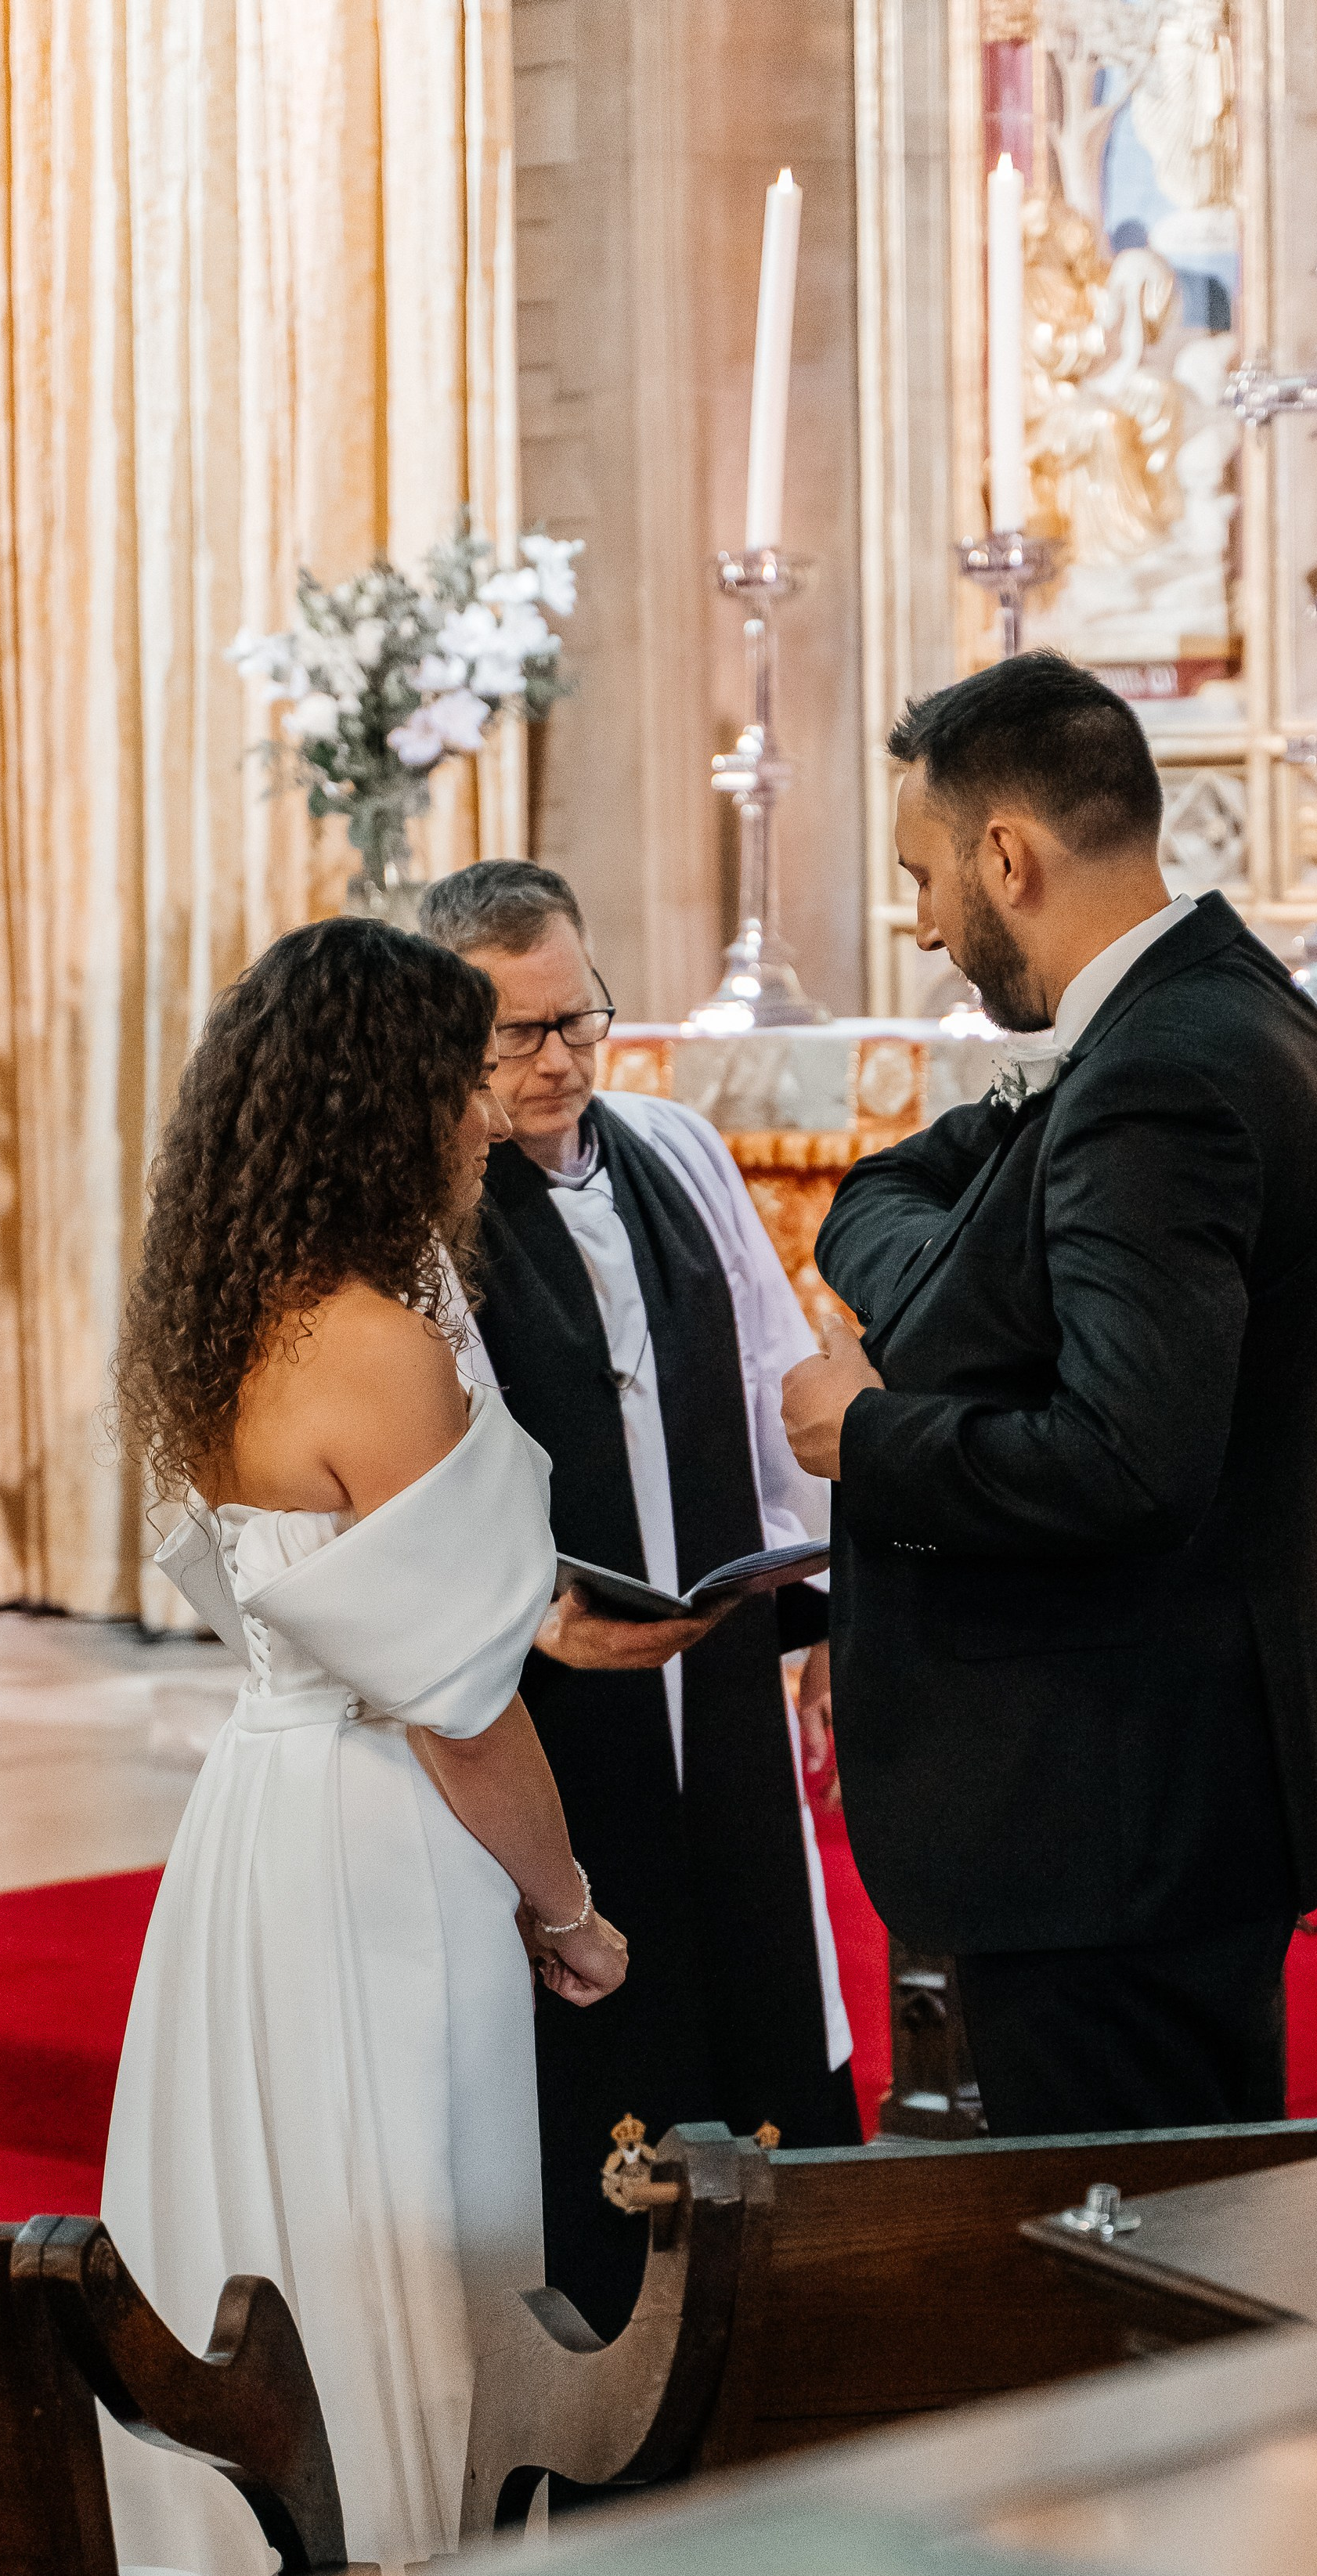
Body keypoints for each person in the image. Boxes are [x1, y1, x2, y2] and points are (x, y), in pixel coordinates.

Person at [104, 918, 626, 2576]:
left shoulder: (218, 1324)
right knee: (400, 2220)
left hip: (256, 1823)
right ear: (376, 1105)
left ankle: (248, 2559)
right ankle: (406, 2563)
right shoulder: (380, 1350)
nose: (485, 1112)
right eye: (457, 1082)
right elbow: (459, 1707)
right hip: (380, 1838)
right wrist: (567, 1909)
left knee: (268, 2199)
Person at [784, 653, 1317, 2139]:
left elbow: (1123, 1457)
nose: (924, 925)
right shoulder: (1224, 1010)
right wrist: (952, 1294)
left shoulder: (1156, 1075)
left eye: (923, 877)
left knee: (1138, 2245)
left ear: (1006, 856)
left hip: (1106, 1820)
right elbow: (885, 1189)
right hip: (1149, 1800)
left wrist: (867, 1434)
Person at [419, 860, 858, 2347]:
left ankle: (780, 2312)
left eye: (579, 1019)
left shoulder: (676, 1148)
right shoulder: (434, 1207)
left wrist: (826, 1592)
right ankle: (610, 2333)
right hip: (555, 1673)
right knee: (603, 1993)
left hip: (716, 1657)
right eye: (517, 1035)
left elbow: (776, 1373)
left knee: (754, 1958)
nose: (558, 1060)